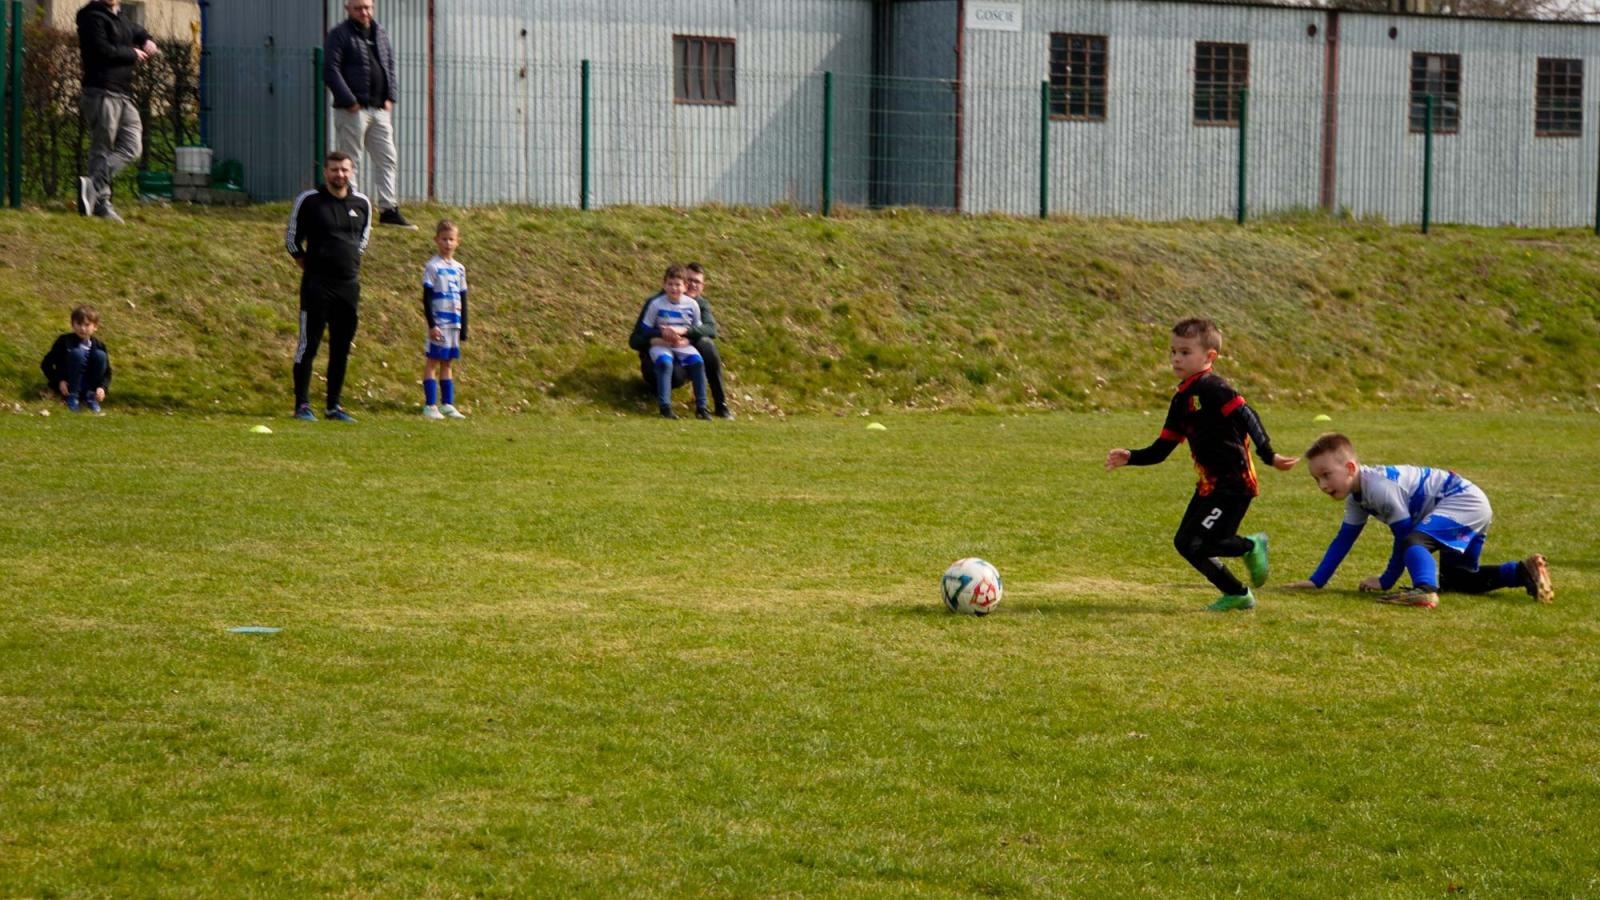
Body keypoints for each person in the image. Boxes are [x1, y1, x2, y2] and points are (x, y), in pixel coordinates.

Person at [1104, 317, 1298, 611]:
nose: (1176, 358)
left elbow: (1247, 415)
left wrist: (1268, 454)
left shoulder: (1213, 388)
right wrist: (1131, 457)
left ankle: (1251, 546)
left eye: (1185, 352)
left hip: (1234, 484)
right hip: (1210, 486)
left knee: (1205, 542)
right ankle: (1237, 593)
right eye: (1173, 351)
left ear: (1210, 357)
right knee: (1185, 543)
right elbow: (1162, 449)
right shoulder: (1181, 400)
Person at [1284, 432, 1554, 608]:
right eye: (1316, 479)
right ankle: (1523, 572)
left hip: (1463, 501)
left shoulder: (1378, 487)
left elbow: (1405, 537)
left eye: (1326, 475)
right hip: (1471, 506)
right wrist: (1317, 581)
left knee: (1414, 541)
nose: (1322, 485)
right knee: (1459, 580)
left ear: (1350, 468)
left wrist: (1386, 580)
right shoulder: (1357, 497)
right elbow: (1343, 540)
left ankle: (1424, 590)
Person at [285, 152, 371, 423]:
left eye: (344, 170)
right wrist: (311, 266)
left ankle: (333, 406)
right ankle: (302, 405)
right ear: (325, 172)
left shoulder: (362, 203)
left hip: (348, 287)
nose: (339, 174)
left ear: (352, 171)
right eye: (334, 169)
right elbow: (292, 241)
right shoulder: (309, 200)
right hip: (317, 286)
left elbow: (362, 241)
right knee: (308, 345)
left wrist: (347, 265)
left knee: (341, 348)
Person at [324, 0, 412, 229]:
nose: (364, 12)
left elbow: (389, 65)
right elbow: (330, 70)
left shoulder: (380, 33)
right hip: (353, 110)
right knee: (350, 161)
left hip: (379, 109)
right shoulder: (339, 35)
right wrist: (349, 101)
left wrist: (391, 96)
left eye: (367, 7)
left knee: (387, 157)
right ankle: (352, 209)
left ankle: (388, 209)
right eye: (358, 8)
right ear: (347, 9)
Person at [75, 0, 159, 224]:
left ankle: (92, 186)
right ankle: (101, 204)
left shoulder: (119, 18)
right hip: (101, 91)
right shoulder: (91, 17)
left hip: (123, 93)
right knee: (101, 149)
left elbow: (136, 30)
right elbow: (102, 50)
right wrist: (132, 53)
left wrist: (146, 39)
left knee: (132, 147)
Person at [628, 262, 733, 419]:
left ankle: (715, 405)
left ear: (702, 286)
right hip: (657, 352)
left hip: (682, 348)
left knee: (706, 348)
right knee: (670, 370)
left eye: (697, 282)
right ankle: (663, 403)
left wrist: (686, 335)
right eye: (690, 280)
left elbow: (710, 329)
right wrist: (657, 337)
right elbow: (636, 338)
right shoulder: (656, 302)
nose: (692, 285)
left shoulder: (697, 304)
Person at [637, 264, 710, 419]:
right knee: (665, 363)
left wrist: (687, 338)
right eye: (670, 284)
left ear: (685, 287)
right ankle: (665, 407)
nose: (674, 288)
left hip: (681, 344)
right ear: (664, 285)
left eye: (678, 285)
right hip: (661, 343)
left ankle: (702, 408)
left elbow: (697, 328)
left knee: (697, 363)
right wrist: (661, 333)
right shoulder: (656, 304)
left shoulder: (692, 305)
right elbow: (644, 328)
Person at [420, 220, 469, 420]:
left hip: (453, 324)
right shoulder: (433, 266)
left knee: (448, 362)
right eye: (444, 239)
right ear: (436, 240)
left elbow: (463, 297)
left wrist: (464, 326)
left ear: (457, 242)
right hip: (439, 324)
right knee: (433, 361)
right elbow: (426, 298)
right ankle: (430, 405)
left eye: (451, 239)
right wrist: (432, 325)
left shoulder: (459, 268)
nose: (448, 243)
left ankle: (448, 404)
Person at [41, 305, 112, 414]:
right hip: (68, 386)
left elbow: (107, 372)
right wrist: (59, 381)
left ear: (95, 327)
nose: (82, 328)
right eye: (79, 324)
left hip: (89, 385)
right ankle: (73, 396)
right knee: (77, 354)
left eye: (87, 325)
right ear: (72, 324)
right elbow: (46, 364)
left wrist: (102, 388)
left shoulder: (99, 345)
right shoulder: (64, 341)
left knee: (100, 356)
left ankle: (91, 397)